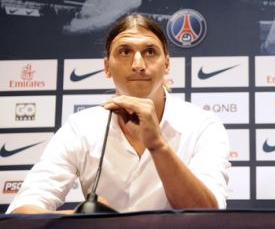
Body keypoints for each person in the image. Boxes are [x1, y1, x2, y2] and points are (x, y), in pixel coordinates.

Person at [7, 13, 230, 213]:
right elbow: (22, 211)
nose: (138, 64)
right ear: (106, 66)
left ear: (167, 64)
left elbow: (208, 215)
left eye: (150, 52)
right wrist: (76, 219)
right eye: (125, 52)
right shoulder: (80, 127)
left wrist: (158, 146)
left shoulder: (202, 125)